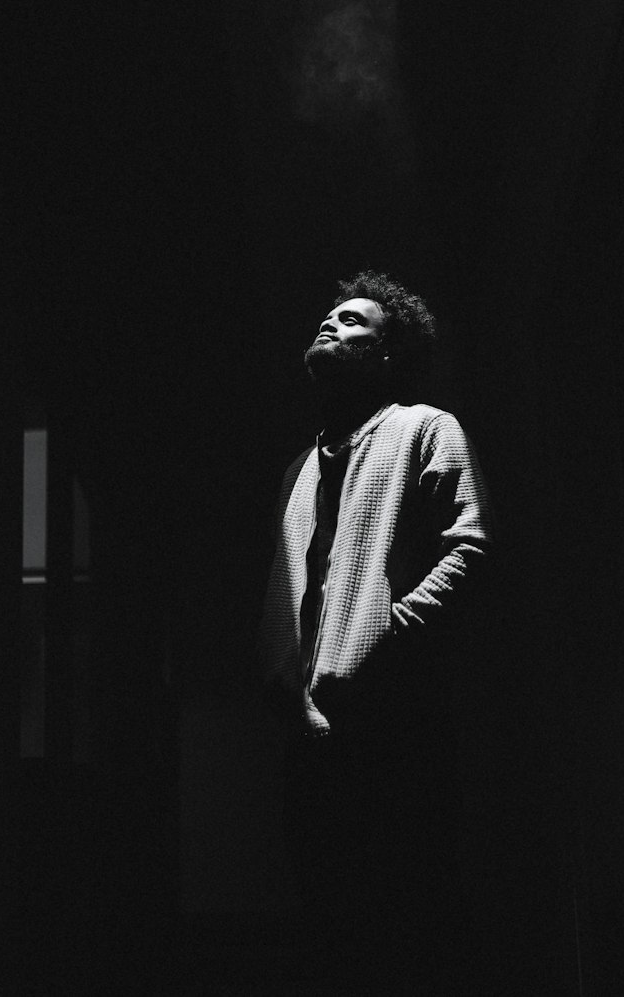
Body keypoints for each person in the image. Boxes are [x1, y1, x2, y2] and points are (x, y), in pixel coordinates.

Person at [258, 271, 496, 991]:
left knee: (409, 926)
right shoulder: (299, 468)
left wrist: (381, 641)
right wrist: (285, 688)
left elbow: (470, 547)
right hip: (307, 734)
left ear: (391, 352)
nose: (331, 325)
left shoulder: (425, 427)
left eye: (354, 321)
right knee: (331, 931)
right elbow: (284, 597)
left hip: (398, 721)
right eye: (328, 317)